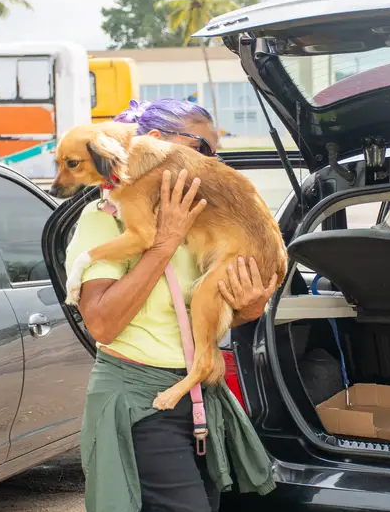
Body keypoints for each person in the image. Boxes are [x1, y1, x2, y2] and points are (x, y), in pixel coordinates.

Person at [66, 98, 278, 512]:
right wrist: (162, 241)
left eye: (214, 154)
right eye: (202, 148)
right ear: (156, 142)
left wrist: (251, 308)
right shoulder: (105, 218)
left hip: (200, 398)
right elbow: (102, 324)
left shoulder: (204, 223)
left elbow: (211, 315)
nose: (210, 163)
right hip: (140, 402)